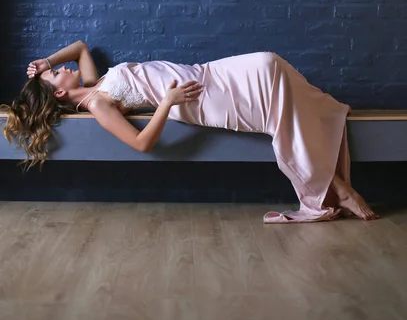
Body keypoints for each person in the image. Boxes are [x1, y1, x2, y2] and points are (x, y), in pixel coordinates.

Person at [2, 40, 380, 223]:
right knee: (278, 94)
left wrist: (45, 62)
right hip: (197, 97)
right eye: (56, 74)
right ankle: (340, 189)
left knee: (273, 66)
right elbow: (141, 143)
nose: (61, 68)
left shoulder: (91, 81)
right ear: (62, 92)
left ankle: (337, 186)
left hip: (207, 72)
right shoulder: (98, 105)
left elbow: (81, 46)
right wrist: (167, 103)